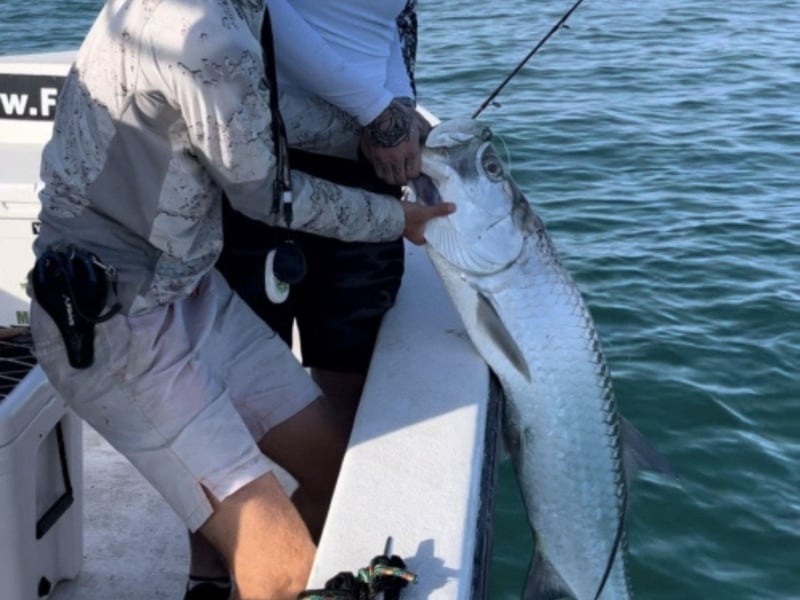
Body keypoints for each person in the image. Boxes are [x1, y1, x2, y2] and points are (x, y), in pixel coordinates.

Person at [26, 2, 454, 600]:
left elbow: (257, 111)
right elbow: (269, 197)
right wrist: (397, 217)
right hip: (114, 318)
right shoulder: (202, 27)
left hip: (193, 290)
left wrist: (409, 135)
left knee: (343, 478)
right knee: (283, 571)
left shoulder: (233, 13)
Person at [188, 2, 428, 597]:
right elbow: (263, 11)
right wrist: (376, 109)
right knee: (231, 399)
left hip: (363, 161)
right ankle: (210, 575)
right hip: (261, 155)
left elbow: (386, 27)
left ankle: (306, 562)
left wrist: (397, 109)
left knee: (349, 383)